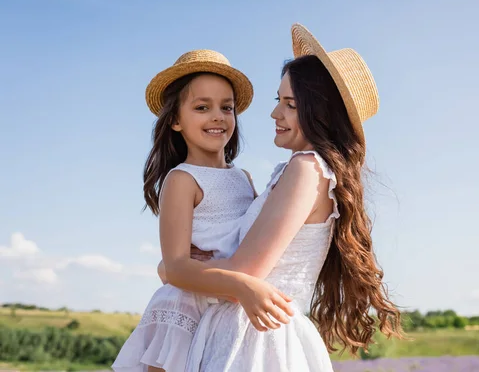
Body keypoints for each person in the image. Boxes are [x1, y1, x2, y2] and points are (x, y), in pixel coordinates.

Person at [161, 23, 404, 371]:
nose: (275, 113)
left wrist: (177, 269)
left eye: (290, 104)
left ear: (320, 112)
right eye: (279, 100)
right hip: (259, 332)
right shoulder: (302, 171)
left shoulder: (306, 170)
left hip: (254, 339)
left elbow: (245, 273)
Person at [112, 49, 294, 372]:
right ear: (176, 121)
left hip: (228, 308)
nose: (217, 117)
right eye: (202, 107)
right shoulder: (182, 179)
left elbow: (248, 237)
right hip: (188, 306)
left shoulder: (243, 178)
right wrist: (239, 284)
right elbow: (177, 266)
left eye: (227, 107)